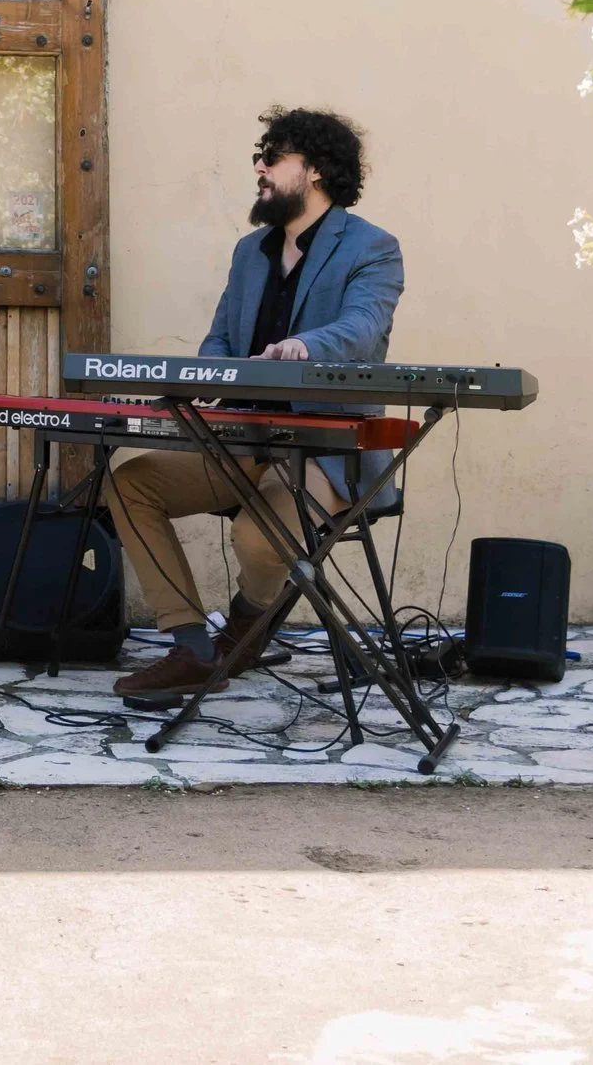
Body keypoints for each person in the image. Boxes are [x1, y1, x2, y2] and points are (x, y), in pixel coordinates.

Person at [108, 107, 405, 701]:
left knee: (258, 532)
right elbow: (221, 337)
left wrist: (302, 346)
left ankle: (247, 626)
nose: (260, 170)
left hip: (323, 450)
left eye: (273, 159)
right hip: (242, 438)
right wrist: (206, 374)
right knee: (129, 485)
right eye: (259, 158)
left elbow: (362, 330)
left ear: (315, 170)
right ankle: (192, 646)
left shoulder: (373, 248)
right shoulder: (250, 252)